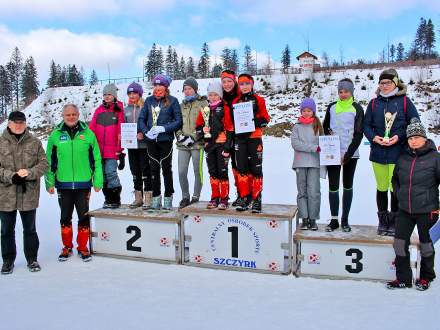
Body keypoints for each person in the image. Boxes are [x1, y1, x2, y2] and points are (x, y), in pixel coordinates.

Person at [364, 69, 419, 236]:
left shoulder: (404, 102)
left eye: (388, 83)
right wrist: (374, 138)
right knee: (381, 187)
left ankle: (395, 221)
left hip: (398, 152)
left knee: (394, 187)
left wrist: (399, 137)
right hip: (378, 153)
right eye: (381, 83)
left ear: (395, 83)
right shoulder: (374, 103)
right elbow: (366, 125)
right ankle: (383, 221)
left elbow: (415, 123)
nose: (384, 86)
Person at [45, 104, 103, 262]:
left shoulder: (88, 135)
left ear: (78, 115)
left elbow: (97, 160)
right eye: (67, 115)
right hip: (63, 185)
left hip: (83, 184)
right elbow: (49, 160)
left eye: (73, 114)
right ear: (63, 116)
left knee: (83, 217)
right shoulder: (55, 135)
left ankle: (83, 247)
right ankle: (67, 247)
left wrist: (98, 180)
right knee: (65, 217)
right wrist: (49, 182)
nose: (71, 117)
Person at [387, 118, 438, 291]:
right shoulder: (403, 158)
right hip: (405, 210)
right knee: (399, 243)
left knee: (426, 245)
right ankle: (403, 278)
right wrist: (399, 194)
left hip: (428, 210)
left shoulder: (435, 158)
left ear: (424, 138)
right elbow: (395, 179)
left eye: (416, 137)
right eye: (410, 138)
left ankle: (425, 277)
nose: (413, 140)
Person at [0, 111, 48, 274]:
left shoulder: (34, 142)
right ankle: (8, 261)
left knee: (30, 229)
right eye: (15, 122)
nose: (19, 125)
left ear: (26, 123)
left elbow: (44, 164)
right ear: (9, 123)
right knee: (6, 230)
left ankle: (32, 259)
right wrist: (11, 176)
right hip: (5, 195)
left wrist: (29, 173)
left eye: (22, 122)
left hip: (29, 194)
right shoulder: (0, 142)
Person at [323, 78, 364, 232]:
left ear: (351, 91)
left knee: (347, 185)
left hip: (350, 154)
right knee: (333, 187)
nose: (343, 94)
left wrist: (348, 154)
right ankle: (334, 220)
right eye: (340, 91)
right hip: (332, 154)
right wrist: (328, 133)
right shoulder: (332, 107)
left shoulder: (357, 108)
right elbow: (325, 126)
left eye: (346, 91)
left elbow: (359, 134)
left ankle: (345, 220)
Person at [138, 74, 182, 210]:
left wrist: (164, 128)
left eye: (160, 85)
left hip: (165, 140)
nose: (158, 88)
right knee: (154, 169)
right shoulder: (149, 101)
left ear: (166, 87)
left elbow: (178, 120)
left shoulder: (173, 101)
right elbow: (141, 119)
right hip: (151, 141)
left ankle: (168, 197)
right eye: (155, 85)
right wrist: (146, 132)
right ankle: (156, 198)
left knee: (166, 169)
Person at [231, 73, 270, 213]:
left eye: (247, 83)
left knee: (256, 169)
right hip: (240, 139)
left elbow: (266, 118)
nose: (245, 86)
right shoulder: (235, 102)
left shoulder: (259, 100)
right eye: (241, 84)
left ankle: (257, 199)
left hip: (254, 138)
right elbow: (231, 122)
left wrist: (253, 121)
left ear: (252, 84)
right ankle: (245, 197)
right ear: (239, 86)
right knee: (242, 168)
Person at [196, 81, 233, 209]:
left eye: (215, 95)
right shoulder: (205, 110)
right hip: (209, 145)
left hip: (222, 144)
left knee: (222, 171)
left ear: (220, 95)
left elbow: (230, 128)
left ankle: (224, 198)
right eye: (210, 95)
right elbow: (198, 127)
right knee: (212, 171)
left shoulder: (225, 108)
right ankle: (215, 197)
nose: (212, 97)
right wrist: (202, 131)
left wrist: (228, 146)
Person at [89, 83, 125, 209]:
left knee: (111, 173)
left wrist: (119, 150)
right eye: (105, 94)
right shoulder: (99, 110)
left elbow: (121, 131)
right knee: (102, 175)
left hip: (112, 151)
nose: (107, 97)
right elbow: (92, 128)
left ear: (114, 95)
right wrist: (88, 144)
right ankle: (107, 199)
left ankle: (115, 199)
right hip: (99, 151)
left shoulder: (119, 110)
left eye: (109, 94)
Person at [176, 77, 208, 209]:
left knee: (197, 171)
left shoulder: (203, 103)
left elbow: (207, 123)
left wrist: (196, 137)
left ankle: (195, 196)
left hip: (197, 144)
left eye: (190, 88)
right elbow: (177, 123)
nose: (187, 91)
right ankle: (185, 196)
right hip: (183, 144)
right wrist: (180, 136)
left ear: (195, 89)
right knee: (182, 172)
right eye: (185, 89)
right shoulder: (181, 105)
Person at [291, 98, 323, 231]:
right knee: (302, 191)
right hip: (300, 162)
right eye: (304, 110)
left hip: (314, 163)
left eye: (309, 110)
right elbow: (295, 144)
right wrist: (313, 148)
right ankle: (304, 218)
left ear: (313, 111)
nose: (306, 113)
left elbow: (323, 143)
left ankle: (313, 218)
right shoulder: (297, 126)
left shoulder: (318, 126)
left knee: (314, 192)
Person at [124, 82, 153, 209]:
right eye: (130, 93)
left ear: (139, 94)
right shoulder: (126, 110)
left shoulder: (145, 107)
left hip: (144, 146)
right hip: (132, 146)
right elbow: (123, 126)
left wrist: (144, 134)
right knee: (134, 171)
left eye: (134, 93)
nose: (132, 95)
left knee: (145, 170)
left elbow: (151, 124)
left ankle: (148, 198)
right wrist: (123, 136)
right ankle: (138, 198)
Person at [220, 69, 241, 206]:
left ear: (234, 82)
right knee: (232, 166)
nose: (227, 84)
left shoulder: (240, 96)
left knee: (240, 166)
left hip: (240, 137)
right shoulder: (220, 98)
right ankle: (237, 194)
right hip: (224, 138)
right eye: (224, 82)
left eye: (229, 81)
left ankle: (244, 194)